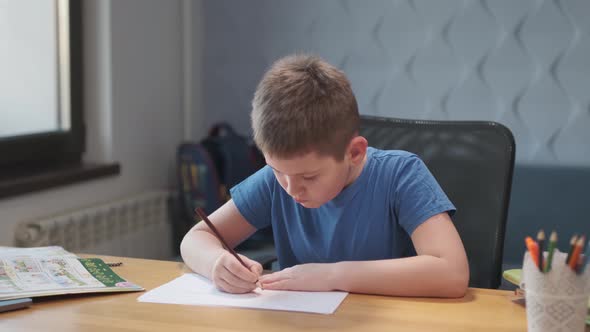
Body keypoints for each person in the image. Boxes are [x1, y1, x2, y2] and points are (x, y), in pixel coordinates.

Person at [180, 54, 469, 297]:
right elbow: (196, 238)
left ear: (354, 152)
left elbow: (452, 273)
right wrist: (216, 262)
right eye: (279, 171)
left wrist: (334, 276)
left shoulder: (401, 174)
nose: (292, 189)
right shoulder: (275, 181)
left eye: (309, 177)